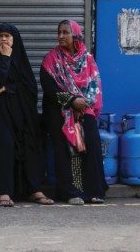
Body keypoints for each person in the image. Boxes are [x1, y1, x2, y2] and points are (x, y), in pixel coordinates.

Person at [0, 23, 54, 207]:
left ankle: (34, 189)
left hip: (21, 110)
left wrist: (5, 88)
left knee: (30, 139)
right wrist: (5, 59)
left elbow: (30, 88)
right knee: (6, 141)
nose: (4, 39)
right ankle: (4, 192)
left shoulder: (21, 59)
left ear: (15, 39)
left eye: (8, 36)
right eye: (1, 35)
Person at [40, 19, 108, 205]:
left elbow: (95, 85)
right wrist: (71, 101)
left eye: (65, 32)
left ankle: (94, 191)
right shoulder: (51, 60)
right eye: (59, 32)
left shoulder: (87, 59)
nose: (61, 36)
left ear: (75, 35)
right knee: (64, 147)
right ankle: (70, 192)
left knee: (92, 142)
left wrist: (83, 104)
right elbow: (49, 88)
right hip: (59, 111)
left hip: (85, 109)